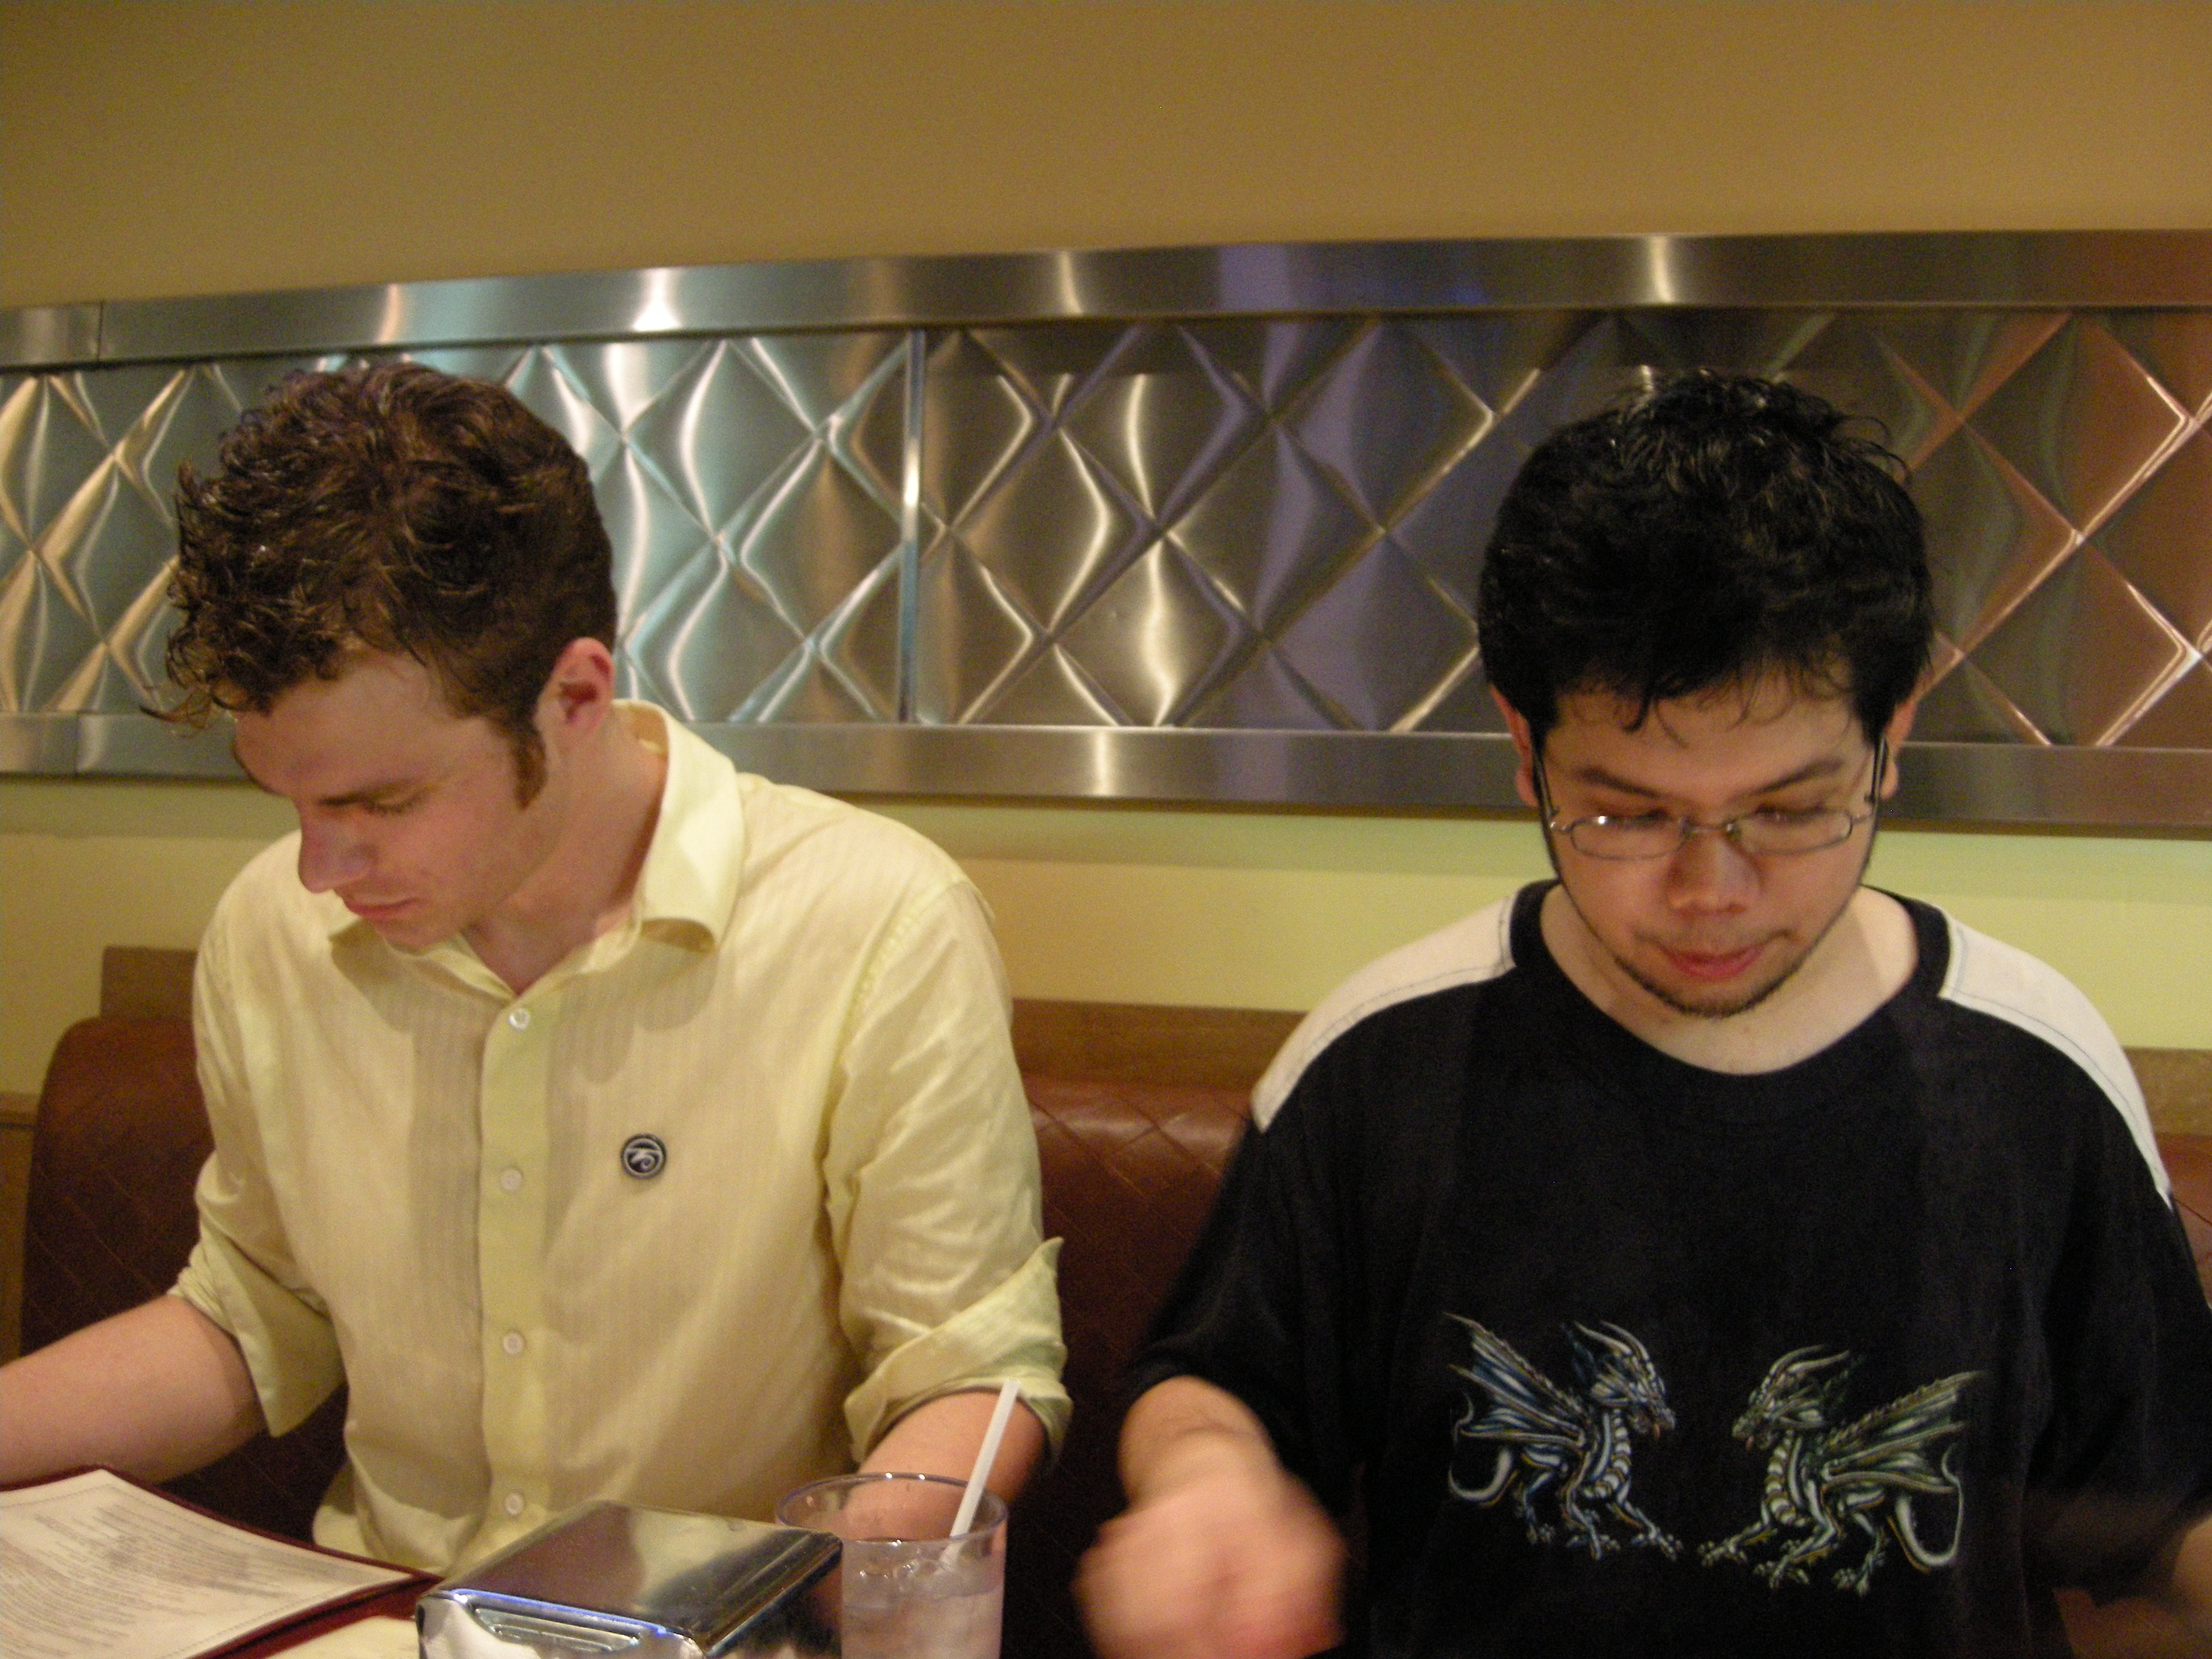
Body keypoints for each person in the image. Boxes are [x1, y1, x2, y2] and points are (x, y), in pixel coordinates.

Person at [1078, 372, 2212, 1657]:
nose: (1708, 891)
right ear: (1525, 751)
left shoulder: (2027, 1068)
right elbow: (1215, 1382)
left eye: (1789, 810)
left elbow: (2173, 1494)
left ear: (1889, 738)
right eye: (1625, 813)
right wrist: (1206, 1481)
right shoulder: (1384, 1058)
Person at [0, 363, 1067, 1571]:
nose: (316, 869)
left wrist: (787, 1603)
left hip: (711, 1636)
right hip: (379, 1624)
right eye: (284, 798)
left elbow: (968, 1374)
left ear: (574, 696)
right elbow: (255, 1313)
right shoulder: (270, 934)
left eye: (382, 802)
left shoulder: (876, 921)